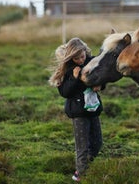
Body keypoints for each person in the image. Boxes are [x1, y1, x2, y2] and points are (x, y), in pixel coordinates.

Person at [49, 37, 104, 182]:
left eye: (82, 56)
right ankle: (80, 174)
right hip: (78, 112)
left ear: (85, 51)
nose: (80, 60)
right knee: (82, 146)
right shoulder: (67, 70)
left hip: (93, 108)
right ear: (71, 57)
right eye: (77, 58)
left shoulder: (91, 62)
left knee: (98, 143)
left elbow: (101, 78)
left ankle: (86, 166)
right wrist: (73, 78)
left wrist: (100, 86)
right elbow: (64, 93)